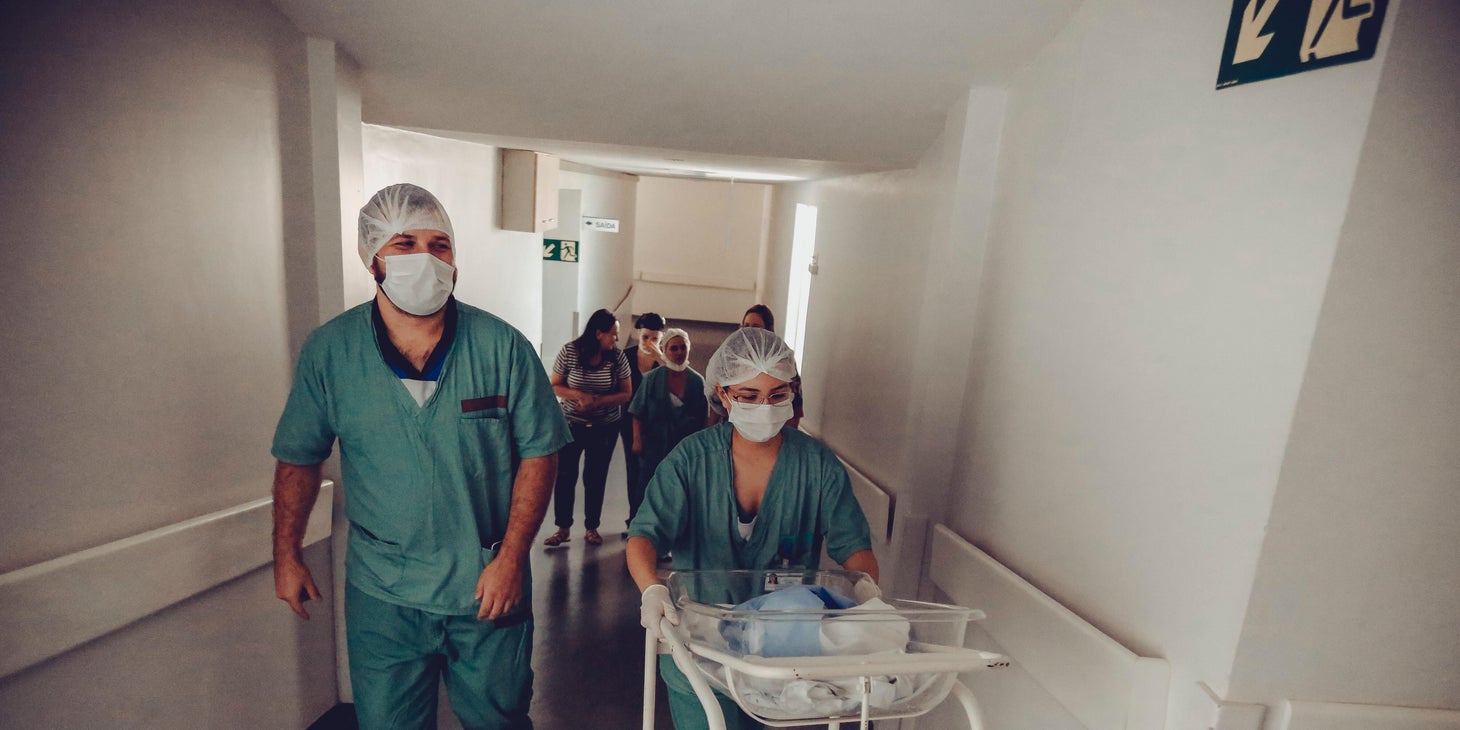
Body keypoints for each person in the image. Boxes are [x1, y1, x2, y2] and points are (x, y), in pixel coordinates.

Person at [271, 183, 570, 730]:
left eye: (439, 245)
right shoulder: (332, 352)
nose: (424, 259)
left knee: (499, 720)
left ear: (455, 261)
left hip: (485, 581)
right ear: (372, 259)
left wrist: (511, 558)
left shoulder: (502, 347)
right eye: (404, 244)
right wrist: (286, 552)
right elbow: (298, 457)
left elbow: (539, 453)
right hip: (384, 592)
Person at [626, 327, 879, 730]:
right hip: (700, 643)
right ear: (723, 394)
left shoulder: (816, 466)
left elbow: (855, 550)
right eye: (748, 396)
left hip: (785, 651)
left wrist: (866, 601)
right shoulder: (691, 461)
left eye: (777, 395)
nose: (765, 407)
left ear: (793, 392)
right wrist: (652, 589)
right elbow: (644, 535)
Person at [544, 308, 632, 547]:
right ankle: (563, 528)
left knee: (595, 477)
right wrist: (579, 396)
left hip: (605, 427)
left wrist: (598, 401)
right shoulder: (570, 352)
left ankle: (592, 527)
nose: (616, 338)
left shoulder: (617, 358)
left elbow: (626, 393)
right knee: (565, 475)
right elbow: (554, 385)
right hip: (571, 424)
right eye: (613, 333)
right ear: (598, 333)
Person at [627, 328, 707, 528]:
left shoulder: (697, 382)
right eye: (674, 348)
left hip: (683, 446)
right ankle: (640, 528)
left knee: (679, 487)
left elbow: (702, 419)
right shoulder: (652, 379)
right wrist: (637, 439)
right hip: (654, 443)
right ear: (664, 350)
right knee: (647, 486)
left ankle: (674, 530)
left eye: (683, 347)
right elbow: (637, 412)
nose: (679, 352)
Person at [708, 304, 805, 428]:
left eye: (755, 326)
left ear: (768, 330)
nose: (749, 331)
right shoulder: (730, 356)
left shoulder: (782, 359)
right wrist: (711, 428)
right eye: (746, 326)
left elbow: (795, 405)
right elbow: (716, 397)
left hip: (772, 427)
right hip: (732, 426)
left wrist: (788, 435)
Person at [619, 312, 665, 535]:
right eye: (646, 337)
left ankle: (651, 522)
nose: (649, 342)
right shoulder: (626, 357)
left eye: (655, 338)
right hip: (628, 421)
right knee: (633, 470)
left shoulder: (663, 360)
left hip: (657, 423)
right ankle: (633, 519)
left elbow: (676, 379)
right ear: (639, 333)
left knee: (655, 472)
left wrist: (661, 359)